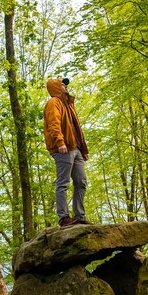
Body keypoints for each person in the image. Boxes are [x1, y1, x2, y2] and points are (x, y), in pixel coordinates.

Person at [43, 77, 90, 227]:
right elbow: (53, 124)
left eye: (66, 84)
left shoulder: (69, 104)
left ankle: (79, 216)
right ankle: (63, 218)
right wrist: (60, 142)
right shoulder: (53, 103)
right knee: (63, 183)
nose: (65, 86)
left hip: (75, 148)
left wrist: (83, 149)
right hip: (63, 148)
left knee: (81, 182)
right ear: (56, 87)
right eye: (62, 84)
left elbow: (77, 129)